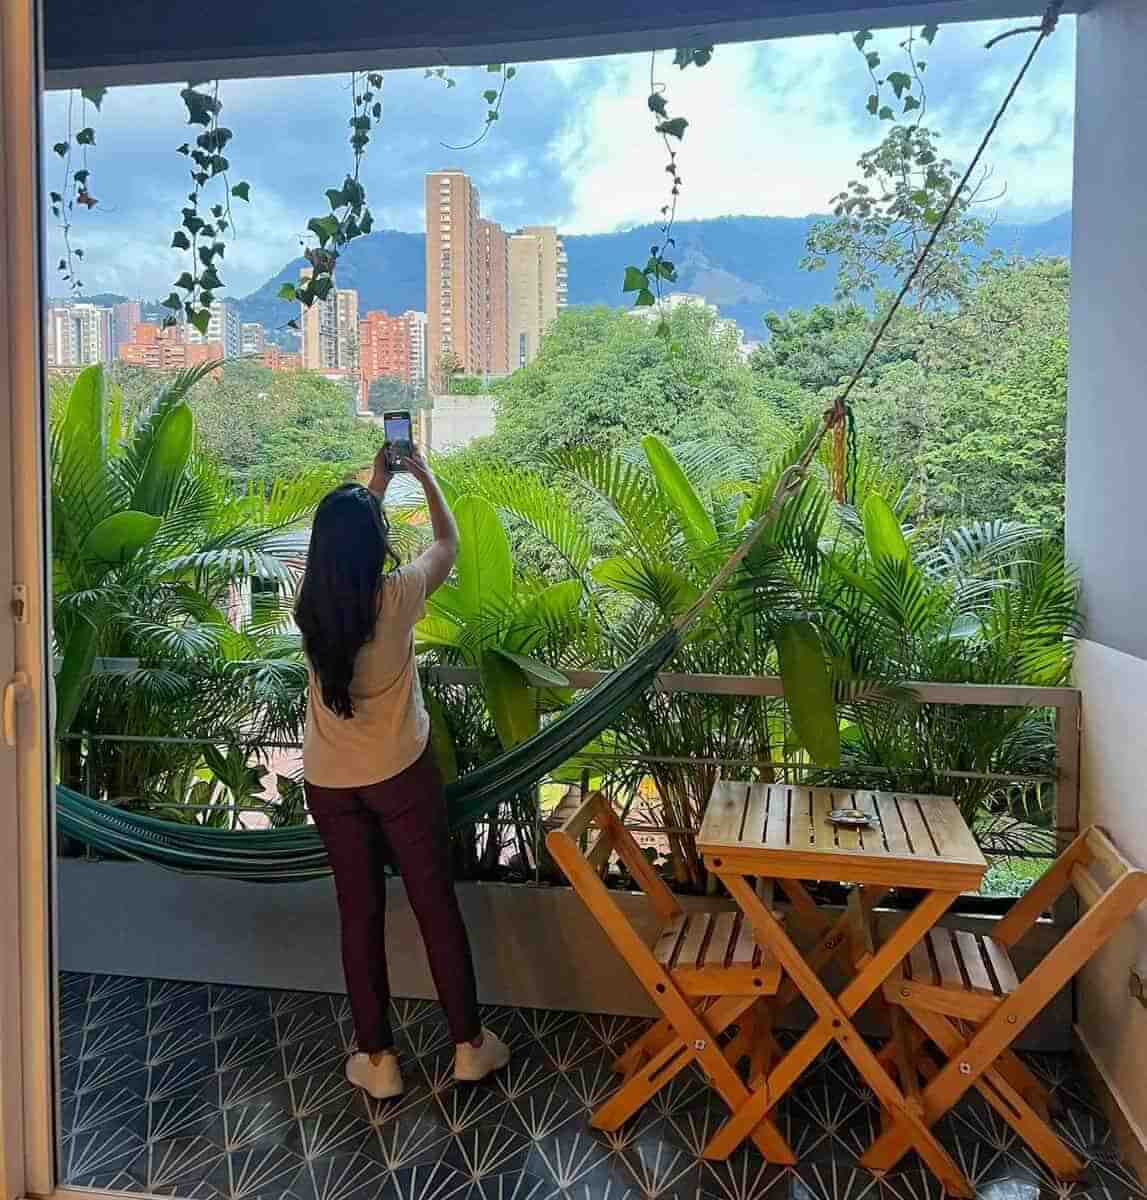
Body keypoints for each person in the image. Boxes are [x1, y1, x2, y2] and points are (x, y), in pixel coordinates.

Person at [295, 443, 509, 1100]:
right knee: (433, 907)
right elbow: (447, 541)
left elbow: (343, 552)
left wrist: (373, 486)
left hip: (331, 782)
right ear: (377, 542)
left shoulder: (310, 607)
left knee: (357, 917)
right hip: (399, 776)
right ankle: (468, 1046)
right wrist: (420, 475)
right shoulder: (398, 595)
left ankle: (378, 1059)